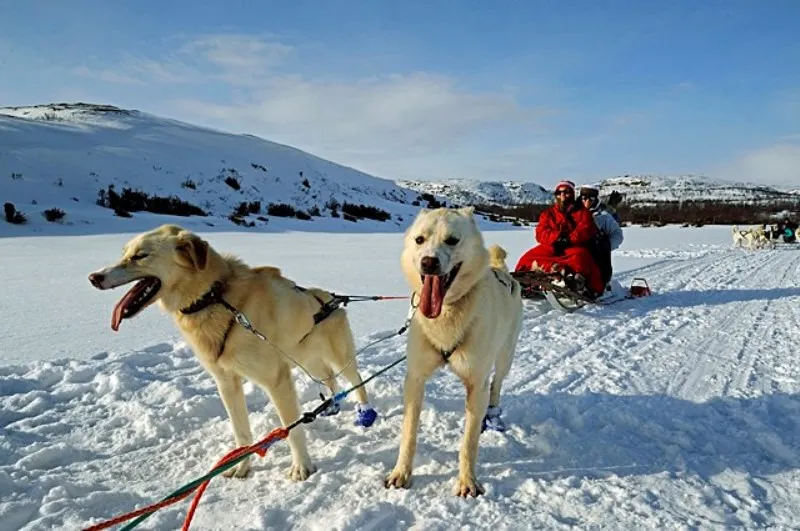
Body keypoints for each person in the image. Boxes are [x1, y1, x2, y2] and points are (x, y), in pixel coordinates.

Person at [514, 180, 605, 297]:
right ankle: (525, 278)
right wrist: (557, 238)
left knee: (580, 258)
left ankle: (573, 281)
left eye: (566, 192)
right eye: (559, 192)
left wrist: (568, 239)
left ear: (572, 194)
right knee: (528, 257)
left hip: (573, 247)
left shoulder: (583, 213)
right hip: (551, 246)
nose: (562, 195)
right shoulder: (548, 214)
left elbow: (585, 229)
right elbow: (541, 233)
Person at [578, 184, 624, 287]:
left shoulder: (603, 217)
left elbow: (617, 235)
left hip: (598, 259)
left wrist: (606, 246)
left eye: (591, 198)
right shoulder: (573, 213)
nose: (587, 201)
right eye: (584, 198)